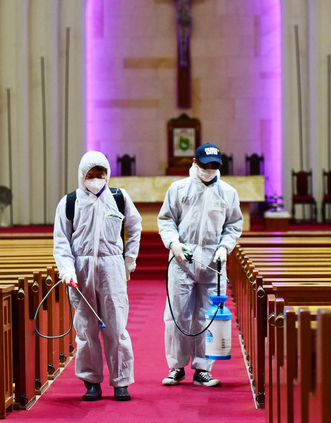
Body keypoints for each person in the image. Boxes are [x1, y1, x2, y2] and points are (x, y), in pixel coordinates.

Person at [53, 151, 142, 401]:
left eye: (100, 175)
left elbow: (135, 226)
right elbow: (61, 241)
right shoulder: (70, 202)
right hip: (81, 270)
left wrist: (129, 258)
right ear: (82, 176)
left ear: (107, 175)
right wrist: (68, 270)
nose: (95, 180)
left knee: (116, 327)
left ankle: (121, 381)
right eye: (90, 176)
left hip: (111, 268)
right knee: (86, 329)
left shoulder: (119, 198)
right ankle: (91, 382)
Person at [157, 143, 243, 387]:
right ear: (195, 162)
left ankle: (203, 369)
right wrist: (174, 244)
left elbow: (233, 225)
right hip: (182, 260)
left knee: (208, 316)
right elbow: (166, 220)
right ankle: (176, 367)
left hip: (213, 263)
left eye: (214, 166)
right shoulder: (178, 189)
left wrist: (225, 248)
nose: (209, 169)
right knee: (177, 316)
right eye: (205, 165)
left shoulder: (228, 193)